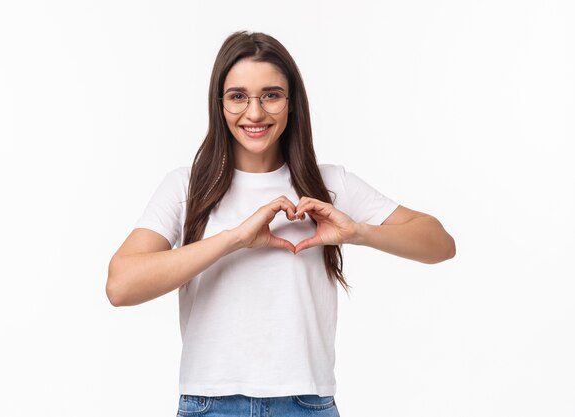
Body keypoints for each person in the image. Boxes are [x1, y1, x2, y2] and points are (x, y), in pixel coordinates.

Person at [106, 30, 455, 417]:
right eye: (238, 96)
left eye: (271, 95)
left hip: (306, 403)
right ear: (219, 104)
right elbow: (121, 285)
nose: (254, 113)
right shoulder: (187, 187)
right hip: (210, 403)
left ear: (291, 104)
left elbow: (440, 243)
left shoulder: (330, 185)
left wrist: (358, 232)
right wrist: (235, 238)